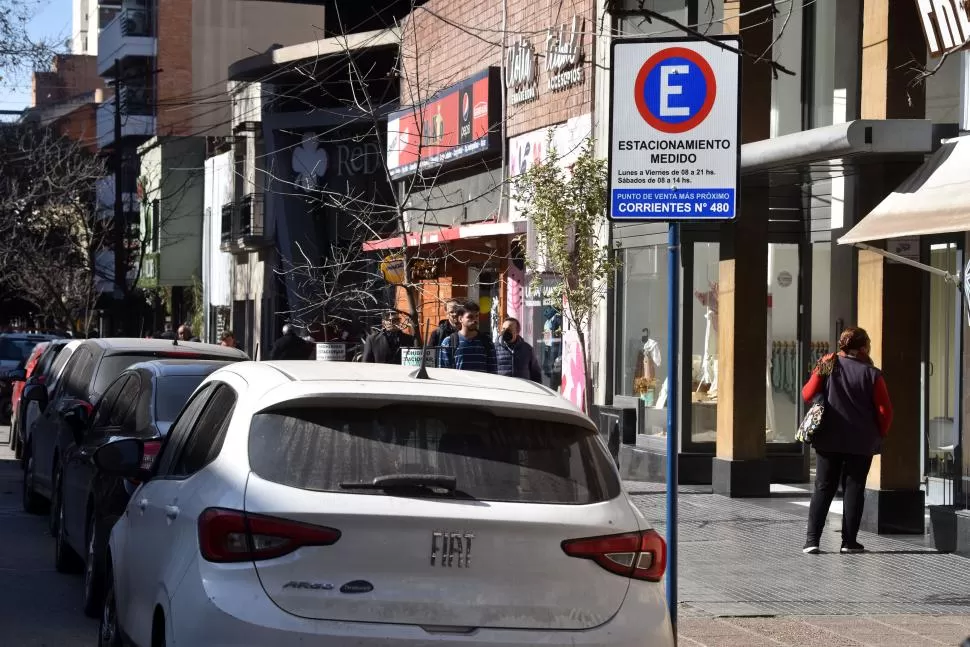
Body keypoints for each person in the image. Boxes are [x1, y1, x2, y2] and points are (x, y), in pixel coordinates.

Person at [802, 327, 893, 555]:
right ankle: (849, 542)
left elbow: (807, 394)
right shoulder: (872, 374)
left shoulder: (828, 363)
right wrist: (879, 433)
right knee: (854, 489)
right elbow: (885, 411)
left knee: (823, 487)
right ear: (862, 348)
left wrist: (821, 368)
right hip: (861, 442)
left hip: (828, 439)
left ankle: (812, 541)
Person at [438, 301, 496, 374]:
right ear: (460, 319)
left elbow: (493, 372)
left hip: (482, 385)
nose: (475, 320)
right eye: (470, 317)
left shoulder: (487, 341)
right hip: (459, 385)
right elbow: (444, 373)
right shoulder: (448, 342)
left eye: (477, 316)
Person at [495, 317, 541, 382]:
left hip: (522, 389)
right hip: (501, 389)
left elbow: (535, 373)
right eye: (503, 329)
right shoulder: (494, 349)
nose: (505, 332)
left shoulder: (527, 349)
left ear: (517, 332)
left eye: (509, 330)